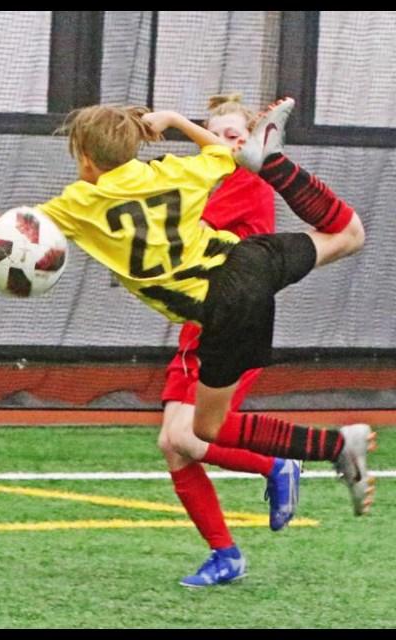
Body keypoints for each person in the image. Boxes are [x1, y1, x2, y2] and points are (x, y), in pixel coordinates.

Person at [0, 98, 375, 580]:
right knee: (349, 234)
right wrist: (179, 123)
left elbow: (9, 223)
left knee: (207, 430)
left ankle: (334, 445)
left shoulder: (81, 202)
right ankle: (275, 162)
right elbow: (223, 153)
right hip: (247, 263)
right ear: (135, 147)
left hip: (221, 309)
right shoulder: (174, 171)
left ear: (85, 160)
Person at [156, 94, 300, 588]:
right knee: (173, 446)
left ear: (253, 141)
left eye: (237, 134)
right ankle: (226, 555)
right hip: (198, 325)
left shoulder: (248, 181)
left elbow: (180, 233)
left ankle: (276, 463)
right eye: (218, 135)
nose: (228, 143)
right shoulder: (205, 180)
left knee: (186, 438)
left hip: (232, 323)